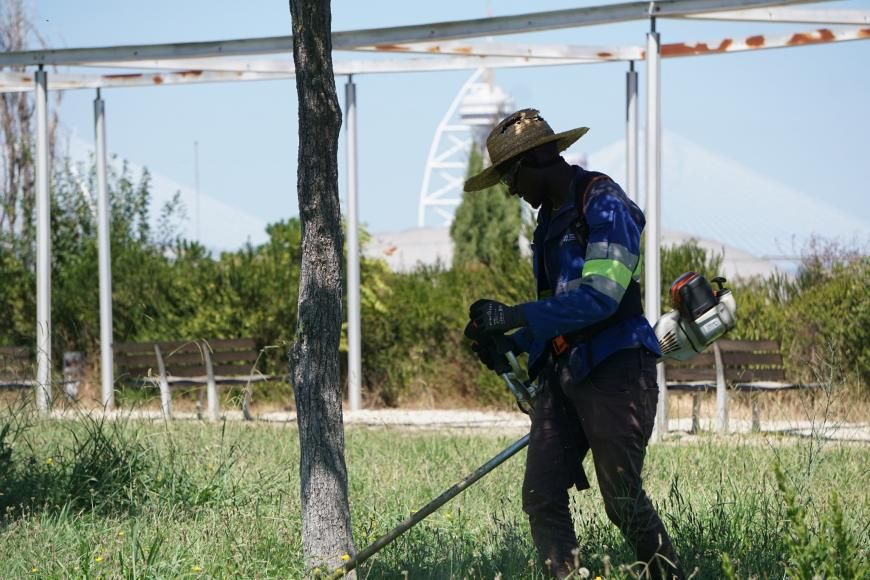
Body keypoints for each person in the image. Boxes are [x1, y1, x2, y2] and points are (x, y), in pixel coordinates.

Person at [463, 109, 684, 579]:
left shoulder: (604, 204)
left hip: (616, 371)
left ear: (542, 157)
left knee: (621, 500)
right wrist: (510, 341)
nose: (512, 190)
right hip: (564, 376)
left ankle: (668, 575)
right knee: (541, 494)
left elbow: (599, 298)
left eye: (513, 177)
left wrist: (515, 314)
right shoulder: (548, 223)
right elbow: (561, 309)